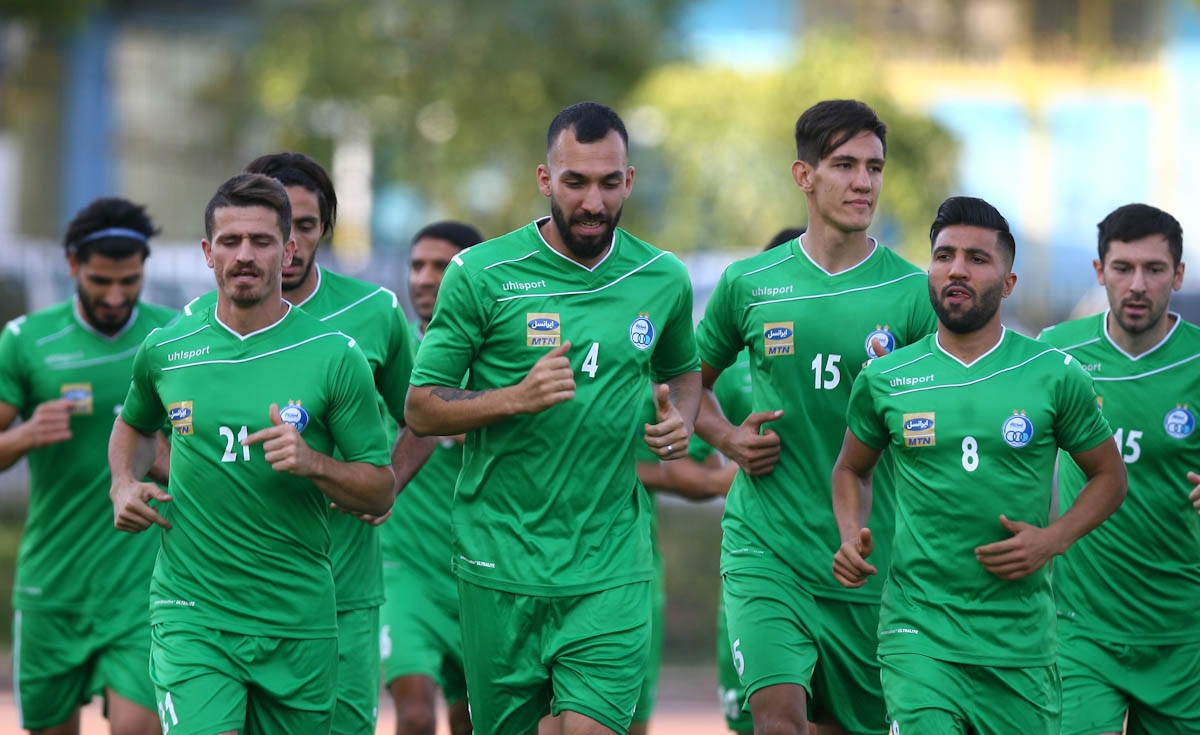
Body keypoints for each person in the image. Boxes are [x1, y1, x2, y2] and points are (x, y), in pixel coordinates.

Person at [404, 101, 701, 735]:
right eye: (576, 182)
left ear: (630, 180)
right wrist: (516, 396)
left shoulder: (662, 277)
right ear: (545, 179)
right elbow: (422, 406)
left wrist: (682, 417)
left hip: (610, 563)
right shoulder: (480, 275)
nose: (594, 201)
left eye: (609, 182)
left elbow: (684, 371)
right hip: (499, 562)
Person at [108, 172, 395, 735]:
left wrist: (314, 464)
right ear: (207, 252)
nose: (244, 255)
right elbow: (134, 425)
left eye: (261, 241)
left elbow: (379, 488)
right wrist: (123, 482)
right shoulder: (167, 348)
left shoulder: (335, 355)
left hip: (298, 619)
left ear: (287, 250)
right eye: (230, 241)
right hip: (192, 613)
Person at [831, 195, 1127, 735]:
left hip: (1020, 646)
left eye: (977, 258)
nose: (957, 270)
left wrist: (1052, 539)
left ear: (1008, 283)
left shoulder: (1055, 374)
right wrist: (851, 534)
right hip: (919, 633)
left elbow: (1110, 477)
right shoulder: (885, 378)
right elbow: (851, 469)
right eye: (944, 256)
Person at [693, 99, 937, 735]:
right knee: (778, 720)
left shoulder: (913, 294)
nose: (864, 182)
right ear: (804, 175)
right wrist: (726, 437)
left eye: (874, 168)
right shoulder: (749, 282)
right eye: (845, 165)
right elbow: (687, 380)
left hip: (869, 560)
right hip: (766, 548)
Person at [183, 151, 417, 735]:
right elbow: (162, 429)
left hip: (343, 585)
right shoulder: (196, 322)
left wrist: (381, 486)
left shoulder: (372, 312)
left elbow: (422, 415)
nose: (288, 246)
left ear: (315, 231)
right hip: (228, 596)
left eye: (305, 226)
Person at [0, 198, 173, 735]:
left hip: (142, 586)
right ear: (73, 264)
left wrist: (170, 461)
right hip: (54, 585)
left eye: (130, 280)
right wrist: (25, 435)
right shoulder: (27, 341)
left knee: (138, 728)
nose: (116, 296)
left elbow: (207, 447)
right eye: (101, 281)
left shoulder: (174, 338)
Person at [1037, 203, 1200, 735]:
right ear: (1099, 270)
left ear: (1178, 274)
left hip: (1182, 634)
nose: (1137, 285)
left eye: (1154, 269)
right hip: (1079, 630)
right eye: (1123, 268)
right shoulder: (1056, 354)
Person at [380, 220, 484, 735]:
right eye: (417, 265)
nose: (423, 278)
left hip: (481, 567)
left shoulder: (499, 361)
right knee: (417, 713)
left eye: (440, 266)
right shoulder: (388, 349)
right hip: (404, 569)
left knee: (473, 721)